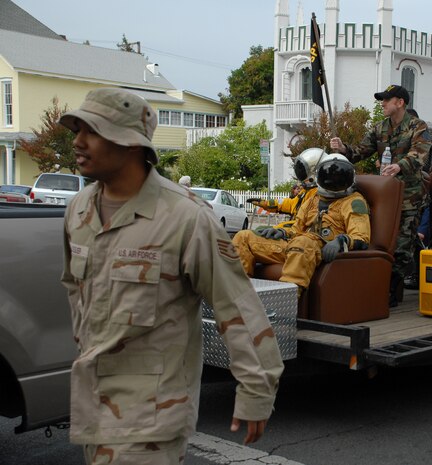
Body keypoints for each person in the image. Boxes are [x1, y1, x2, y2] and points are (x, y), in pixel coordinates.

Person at [59, 88, 284, 464]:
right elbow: (73, 288)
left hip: (152, 419)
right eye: (77, 130)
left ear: (130, 144)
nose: (78, 142)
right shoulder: (79, 210)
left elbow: (237, 308)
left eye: (92, 131)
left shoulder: (186, 219)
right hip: (93, 408)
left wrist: (256, 393)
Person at [330, 84, 431, 306]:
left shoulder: (417, 126)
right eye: (382, 100)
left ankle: (392, 293)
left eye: (386, 100)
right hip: (384, 197)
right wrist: (342, 149)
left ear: (400, 102)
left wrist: (399, 166)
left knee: (403, 245)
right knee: (381, 240)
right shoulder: (379, 128)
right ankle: (379, 284)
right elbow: (358, 152)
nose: (382, 103)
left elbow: (420, 154)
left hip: (409, 197)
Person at [232, 154, 370, 297]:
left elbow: (361, 237)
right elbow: (296, 229)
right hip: (296, 245)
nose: (333, 181)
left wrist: (341, 241)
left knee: (302, 242)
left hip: (320, 249)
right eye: (330, 176)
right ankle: (236, 296)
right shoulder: (313, 199)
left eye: (338, 177)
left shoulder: (354, 202)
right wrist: (282, 232)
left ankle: (285, 304)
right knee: (243, 237)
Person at [246, 148, 324, 230]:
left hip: (299, 233)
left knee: (246, 235)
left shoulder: (316, 195)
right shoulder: (305, 192)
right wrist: (265, 203)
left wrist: (281, 229)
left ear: (313, 175)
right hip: (296, 230)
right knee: (257, 231)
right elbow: (290, 204)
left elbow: (305, 222)